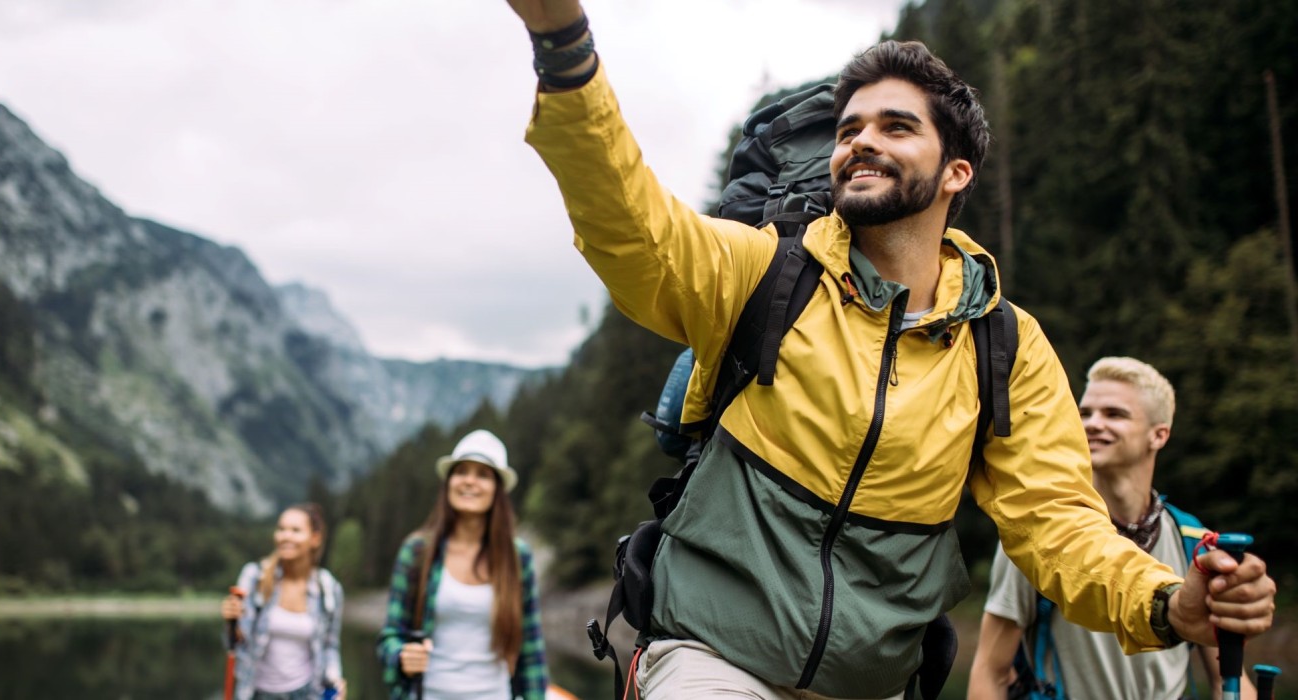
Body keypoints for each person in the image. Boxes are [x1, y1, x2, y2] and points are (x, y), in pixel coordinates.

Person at [499, 1, 1277, 698]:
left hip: (875, 682)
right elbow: (633, 228)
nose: (861, 142)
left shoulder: (1006, 345)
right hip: (710, 657)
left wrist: (1166, 602)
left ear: (955, 173)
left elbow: (1058, 527)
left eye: (895, 127)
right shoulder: (763, 271)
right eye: (849, 130)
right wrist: (565, 46)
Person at [968, 357, 1257, 699]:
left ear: (1159, 434)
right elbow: (991, 670)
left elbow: (1228, 679)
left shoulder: (1194, 542)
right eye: (1085, 413)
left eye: (1114, 414)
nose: (1092, 424)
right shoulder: (1037, 537)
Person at [376, 429, 548, 700]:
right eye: (461, 472)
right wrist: (401, 655)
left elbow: (531, 651)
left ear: (497, 490)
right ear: (448, 483)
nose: (469, 481)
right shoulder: (417, 551)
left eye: (482, 474)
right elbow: (390, 636)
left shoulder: (517, 558)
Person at [222, 503, 346, 700]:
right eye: (281, 529)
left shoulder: (328, 589)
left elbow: (330, 645)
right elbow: (236, 643)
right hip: (256, 693)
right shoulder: (255, 577)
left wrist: (335, 679)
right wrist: (231, 621)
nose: (285, 536)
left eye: (295, 530)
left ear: (315, 538)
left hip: (307, 693)